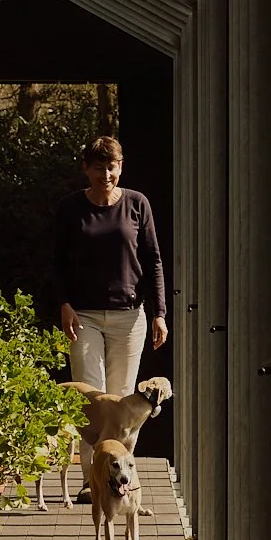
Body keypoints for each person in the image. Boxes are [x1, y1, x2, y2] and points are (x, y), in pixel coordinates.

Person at [51, 135, 167, 397]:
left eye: (111, 167)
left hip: (127, 317)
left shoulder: (137, 203)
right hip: (83, 316)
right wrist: (64, 303)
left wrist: (159, 313)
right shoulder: (70, 208)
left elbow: (153, 260)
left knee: (121, 399)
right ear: (85, 168)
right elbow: (58, 262)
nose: (105, 174)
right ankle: (90, 441)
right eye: (98, 167)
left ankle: (116, 442)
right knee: (90, 397)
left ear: (121, 167)